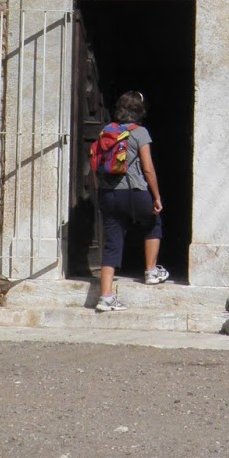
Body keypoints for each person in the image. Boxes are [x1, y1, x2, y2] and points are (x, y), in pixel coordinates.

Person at [93, 89, 166, 311]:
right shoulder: (140, 132)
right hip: (134, 192)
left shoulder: (107, 131)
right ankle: (151, 272)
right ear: (140, 111)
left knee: (111, 242)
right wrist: (156, 196)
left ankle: (106, 297)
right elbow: (148, 168)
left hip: (108, 193)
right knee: (153, 222)